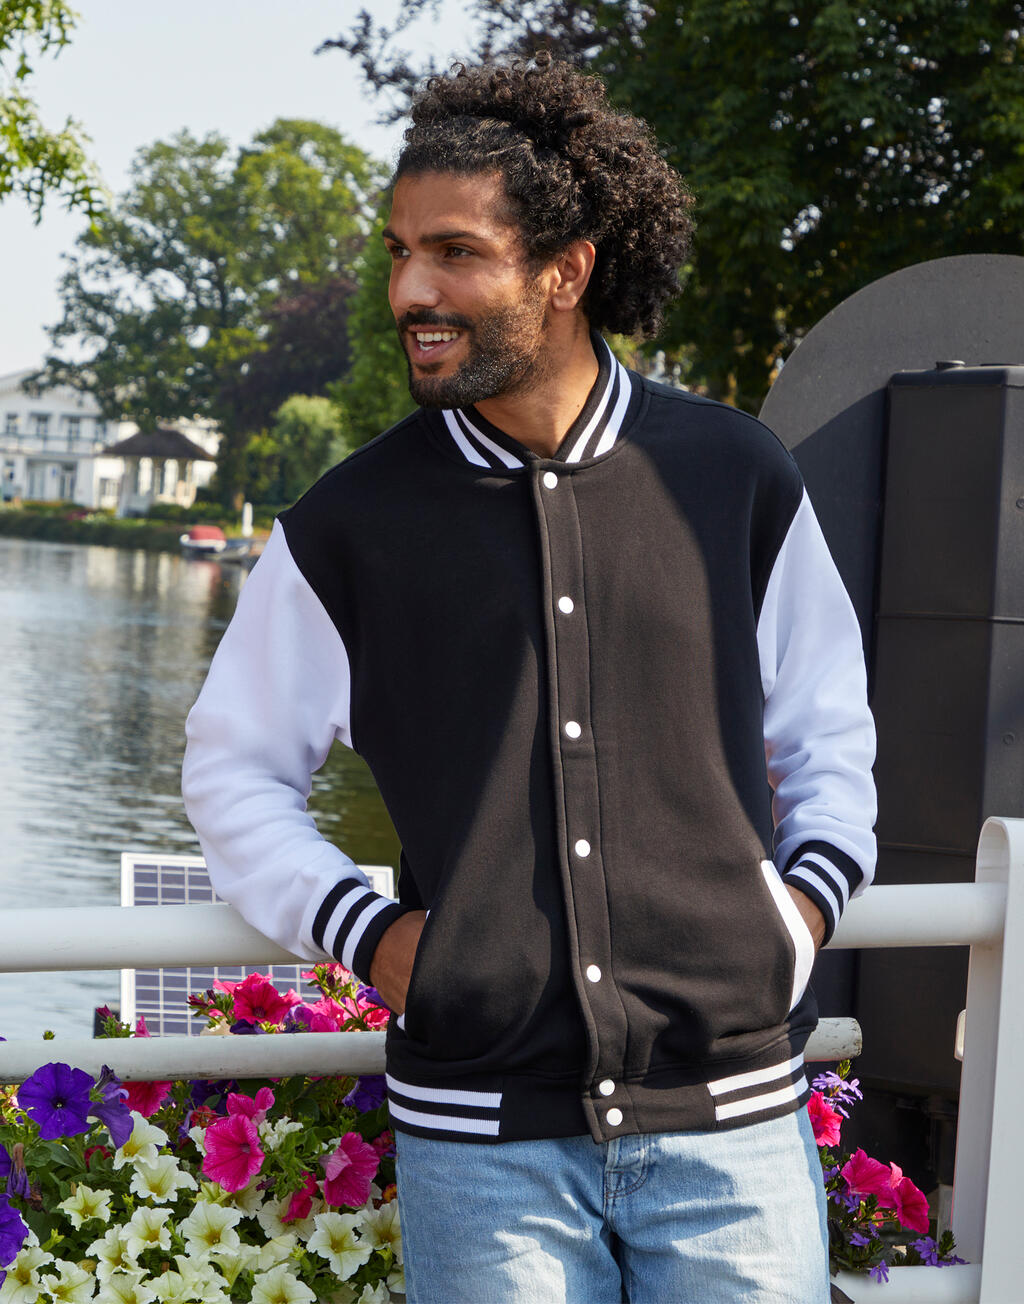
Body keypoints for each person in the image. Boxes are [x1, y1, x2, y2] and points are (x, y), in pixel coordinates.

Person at [182, 53, 876, 1304]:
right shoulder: (349, 526)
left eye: (455, 253)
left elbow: (827, 732)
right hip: (483, 1143)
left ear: (566, 271)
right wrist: (372, 935)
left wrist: (796, 920)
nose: (411, 290)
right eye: (400, 252)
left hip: (732, 1120)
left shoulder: (734, 476)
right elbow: (232, 768)